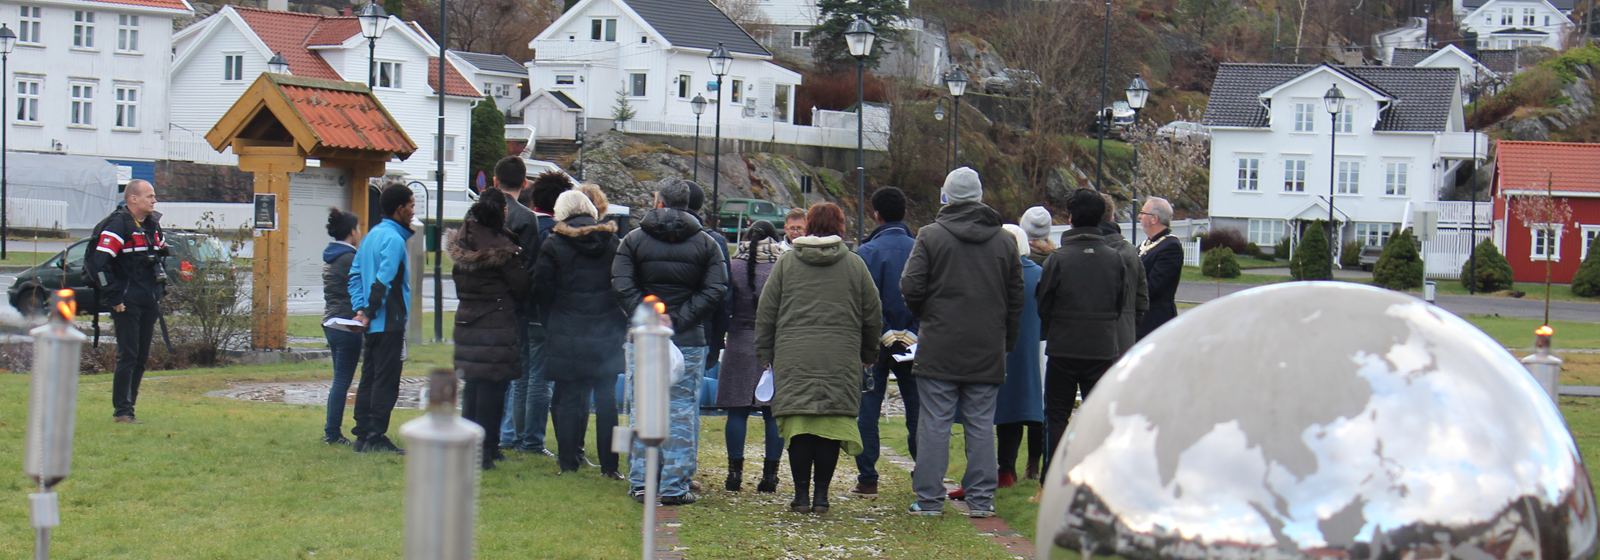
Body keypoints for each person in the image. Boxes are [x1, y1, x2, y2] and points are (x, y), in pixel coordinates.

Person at [900, 167, 1024, 518]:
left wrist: (928, 315)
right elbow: (1016, 298)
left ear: (946, 196)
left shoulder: (931, 236)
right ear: (980, 196)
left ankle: (928, 501)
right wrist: (1006, 341)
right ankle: (981, 501)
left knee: (935, 424)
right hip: (987, 346)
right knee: (981, 424)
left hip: (940, 342)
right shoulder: (1004, 241)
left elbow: (910, 286)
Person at [757, 203, 881, 514]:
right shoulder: (855, 265)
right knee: (830, 426)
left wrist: (766, 353)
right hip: (841, 358)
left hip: (793, 357)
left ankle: (800, 496)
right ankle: (822, 496)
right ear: (841, 227)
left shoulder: (786, 264)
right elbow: (872, 315)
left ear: (809, 225)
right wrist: (868, 354)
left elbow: (767, 312)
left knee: (800, 426)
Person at [613, 179, 728, 505]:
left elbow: (621, 284)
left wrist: (649, 315)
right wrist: (678, 320)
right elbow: (717, 289)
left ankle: (642, 482)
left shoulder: (633, 240)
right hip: (688, 338)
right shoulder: (707, 244)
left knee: (642, 408)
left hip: (645, 337)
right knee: (681, 411)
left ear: (658, 201)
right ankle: (675, 486)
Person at [1036, 189, 1128, 479]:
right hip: (1102, 346)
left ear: (1071, 219)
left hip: (1063, 346)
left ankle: (1052, 479)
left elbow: (1043, 304)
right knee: (1098, 417)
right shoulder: (1115, 259)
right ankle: (1099, 477)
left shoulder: (1059, 259)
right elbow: (1119, 303)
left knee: (1057, 415)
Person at [539, 190, 626, 477]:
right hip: (606, 330)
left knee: (569, 398)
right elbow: (621, 285)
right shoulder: (612, 243)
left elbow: (542, 289)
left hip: (567, 328)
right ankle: (610, 466)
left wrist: (551, 319)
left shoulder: (554, 244)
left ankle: (568, 462)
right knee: (606, 400)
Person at [448, 188, 530, 470]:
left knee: (473, 387)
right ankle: (486, 451)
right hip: (496, 323)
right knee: (493, 390)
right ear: (499, 213)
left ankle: (470, 447)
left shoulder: (462, 241)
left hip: (467, 321)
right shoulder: (502, 248)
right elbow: (521, 286)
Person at [851, 186, 922, 497]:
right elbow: (932, 295)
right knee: (919, 409)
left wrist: (883, 332)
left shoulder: (865, 253)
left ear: (875, 214)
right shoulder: (920, 248)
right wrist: (913, 331)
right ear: (904, 212)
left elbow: (862, 300)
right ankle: (925, 474)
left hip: (874, 342)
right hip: (915, 342)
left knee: (868, 407)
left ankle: (867, 477)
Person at [506, 170, 573, 457]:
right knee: (539, 379)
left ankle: (514, 435)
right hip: (544, 314)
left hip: (521, 309)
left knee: (520, 377)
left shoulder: (524, 223)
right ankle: (533, 439)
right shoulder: (558, 232)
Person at [715, 220, 786, 493]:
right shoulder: (781, 266)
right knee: (772, 413)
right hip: (774, 342)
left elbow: (724, 303)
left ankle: (734, 475)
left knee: (737, 410)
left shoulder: (732, 266)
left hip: (738, 339)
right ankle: (770, 476)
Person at [89, 179, 167, 424]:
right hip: (126, 301)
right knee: (128, 355)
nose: (154, 201)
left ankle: (129, 407)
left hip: (148, 300)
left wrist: (160, 291)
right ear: (133, 199)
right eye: (150, 196)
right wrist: (113, 296)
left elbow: (160, 260)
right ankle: (122, 412)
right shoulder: (118, 225)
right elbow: (100, 264)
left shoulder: (153, 225)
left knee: (141, 357)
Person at [347, 183, 416, 455]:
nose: (413, 211)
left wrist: (359, 310)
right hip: (389, 322)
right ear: (400, 209)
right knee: (386, 380)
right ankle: (376, 436)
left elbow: (354, 276)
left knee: (368, 377)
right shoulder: (395, 240)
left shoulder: (372, 235)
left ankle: (362, 434)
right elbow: (384, 280)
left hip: (371, 322)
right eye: (411, 206)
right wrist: (370, 311)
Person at [993, 223, 1044, 490]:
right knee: (1019, 407)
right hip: (1030, 349)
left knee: (991, 408)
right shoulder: (1038, 275)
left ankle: (998, 470)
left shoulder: (992, 273)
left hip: (995, 347)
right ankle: (1009, 469)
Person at [493, 156, 536, 454]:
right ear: (524, 183)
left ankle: (487, 429)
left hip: (484, 304)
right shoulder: (526, 218)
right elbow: (529, 267)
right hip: (514, 307)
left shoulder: (479, 213)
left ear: (495, 182)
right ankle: (510, 433)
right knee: (517, 373)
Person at [321, 208, 363, 444]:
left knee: (339, 378)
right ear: (351, 231)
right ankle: (332, 433)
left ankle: (331, 430)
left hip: (331, 321)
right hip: (348, 324)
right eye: (357, 228)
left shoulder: (332, 256)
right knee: (342, 381)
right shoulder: (350, 258)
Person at [1100, 194, 1149, 355]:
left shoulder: (1087, 252)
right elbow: (1142, 298)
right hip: (1124, 334)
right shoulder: (1130, 252)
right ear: (1112, 217)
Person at [1136, 197, 1183, 340]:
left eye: (1143, 213)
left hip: (1155, 323)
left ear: (1154, 219)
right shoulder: (1146, 244)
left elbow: (1154, 287)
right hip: (1139, 322)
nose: (1139, 216)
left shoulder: (1170, 247)